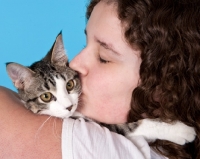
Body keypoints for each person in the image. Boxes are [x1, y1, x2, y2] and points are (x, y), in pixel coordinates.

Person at [0, 0, 199, 158]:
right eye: (85, 44)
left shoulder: (99, 149)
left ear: (162, 85)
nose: (75, 65)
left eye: (103, 58)